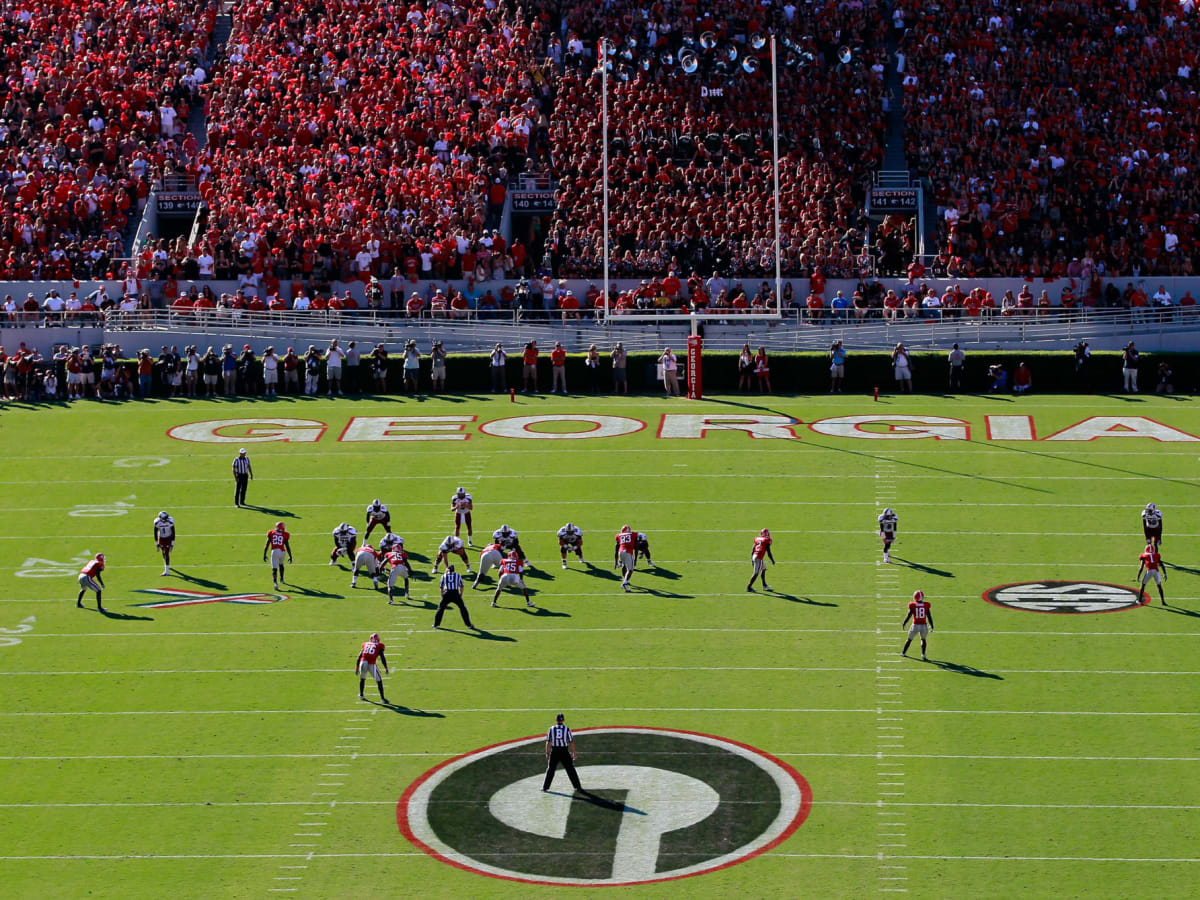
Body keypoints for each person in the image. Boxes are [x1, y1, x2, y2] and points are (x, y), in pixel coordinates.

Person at [543, 713, 582, 792]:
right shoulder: (567, 729)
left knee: (551, 769)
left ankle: (545, 787)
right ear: (563, 720)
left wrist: (547, 752)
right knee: (570, 769)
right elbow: (571, 742)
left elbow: (548, 742)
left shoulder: (551, 729)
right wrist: (574, 752)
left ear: (556, 720)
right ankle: (577, 786)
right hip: (564, 751)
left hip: (555, 751)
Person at [433, 565, 475, 630]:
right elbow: (462, 586)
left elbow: (441, 587)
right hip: (455, 593)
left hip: (447, 593)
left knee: (440, 608)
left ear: (448, 570)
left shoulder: (444, 576)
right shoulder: (458, 575)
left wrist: (442, 596)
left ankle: (436, 624)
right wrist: (460, 594)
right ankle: (469, 624)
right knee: (463, 608)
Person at [355, 632, 389, 703]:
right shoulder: (379, 646)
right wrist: (386, 667)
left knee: (362, 679)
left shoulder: (365, 644)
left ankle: (361, 695)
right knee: (379, 680)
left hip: (362, 662)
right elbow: (382, 658)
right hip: (371, 664)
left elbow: (359, 656)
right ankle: (382, 699)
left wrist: (357, 667)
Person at [901, 589, 933, 660]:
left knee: (909, 639)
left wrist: (904, 623)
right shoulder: (926, 605)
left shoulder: (912, 605)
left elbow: (909, 615)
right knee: (923, 639)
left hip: (915, 625)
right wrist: (932, 625)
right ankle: (923, 655)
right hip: (923, 625)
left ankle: (903, 653)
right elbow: (929, 616)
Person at [262, 522, 293, 588]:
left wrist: (264, 554)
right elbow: (287, 546)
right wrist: (290, 556)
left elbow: (267, 544)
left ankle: (275, 583)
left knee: (274, 569)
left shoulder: (271, 533)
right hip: (282, 552)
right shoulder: (285, 534)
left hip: (275, 551)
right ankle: (282, 579)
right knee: (281, 565)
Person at [746, 528, 775, 592]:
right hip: (758, 558)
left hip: (756, 556)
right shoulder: (767, 540)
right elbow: (768, 552)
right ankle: (749, 587)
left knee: (763, 569)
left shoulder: (757, 539)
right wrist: (772, 560)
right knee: (756, 573)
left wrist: (752, 559)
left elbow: (753, 549)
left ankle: (764, 585)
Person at [614, 524, 638, 592]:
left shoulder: (618, 535)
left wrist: (615, 562)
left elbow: (616, 548)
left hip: (620, 552)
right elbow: (638, 535)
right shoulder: (633, 534)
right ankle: (624, 583)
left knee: (624, 565)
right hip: (628, 552)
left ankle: (624, 578)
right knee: (630, 570)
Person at [153, 511, 176, 576]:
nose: (166, 519)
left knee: (166, 553)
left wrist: (172, 543)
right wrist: (156, 543)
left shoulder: (170, 521)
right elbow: (155, 532)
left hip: (168, 537)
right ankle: (166, 565)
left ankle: (167, 571)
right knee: (163, 553)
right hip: (161, 538)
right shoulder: (157, 522)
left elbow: (174, 532)